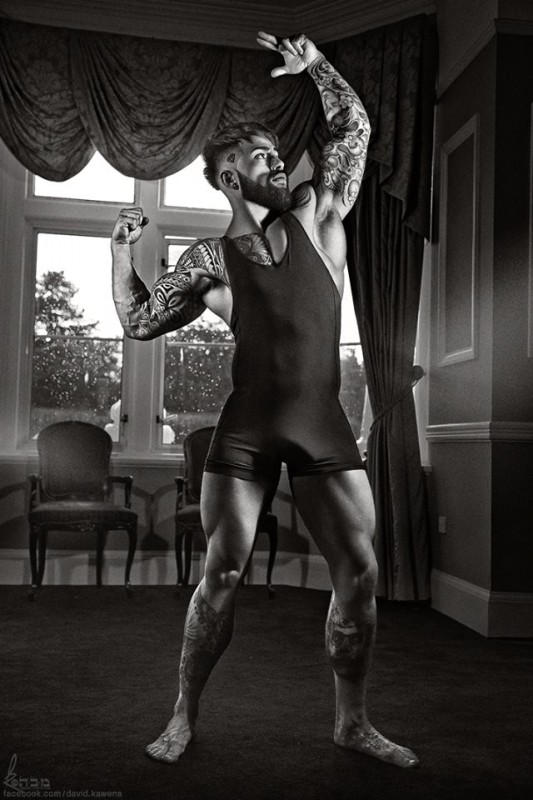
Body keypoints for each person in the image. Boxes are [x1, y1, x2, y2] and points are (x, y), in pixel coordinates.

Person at [111, 31, 418, 769]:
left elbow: (354, 128)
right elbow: (141, 321)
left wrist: (317, 68)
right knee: (221, 573)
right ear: (228, 178)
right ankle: (182, 714)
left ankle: (352, 722)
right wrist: (119, 251)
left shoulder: (320, 215)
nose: (277, 161)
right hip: (246, 430)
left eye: (278, 153)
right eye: (259, 156)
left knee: (361, 572)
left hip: (321, 424)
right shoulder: (210, 260)